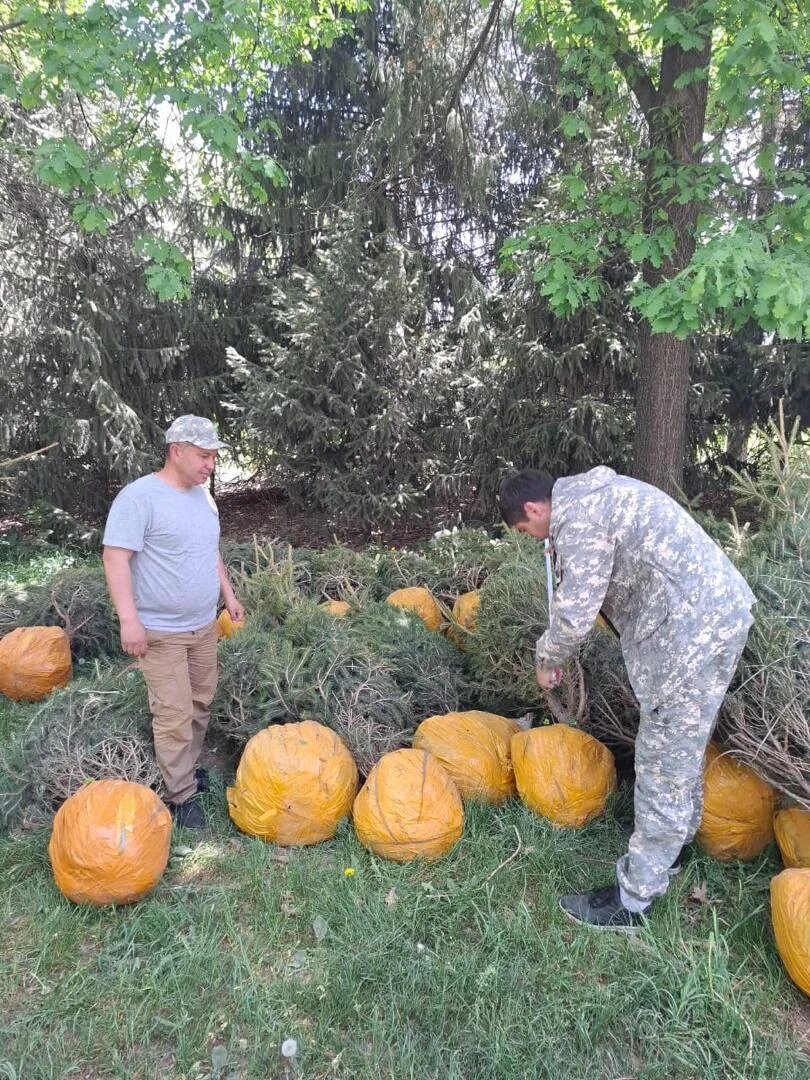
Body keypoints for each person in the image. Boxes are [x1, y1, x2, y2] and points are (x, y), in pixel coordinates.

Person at [498, 465, 755, 931]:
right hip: (708, 619)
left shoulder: (578, 516)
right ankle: (669, 853)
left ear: (534, 509)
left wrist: (546, 657)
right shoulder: (599, 496)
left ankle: (634, 902)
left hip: (689, 634)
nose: (533, 538)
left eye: (526, 529)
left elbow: (575, 616)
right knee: (680, 748)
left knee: (662, 758)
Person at [102, 415, 245, 830]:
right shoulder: (139, 498)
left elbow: (209, 552)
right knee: (174, 714)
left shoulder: (205, 498)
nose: (210, 466)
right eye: (203, 456)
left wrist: (229, 595)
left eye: (214, 457)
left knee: (201, 701)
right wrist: (129, 620)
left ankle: (184, 770)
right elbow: (115, 558)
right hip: (159, 631)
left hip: (203, 626)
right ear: (176, 450)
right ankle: (180, 796)